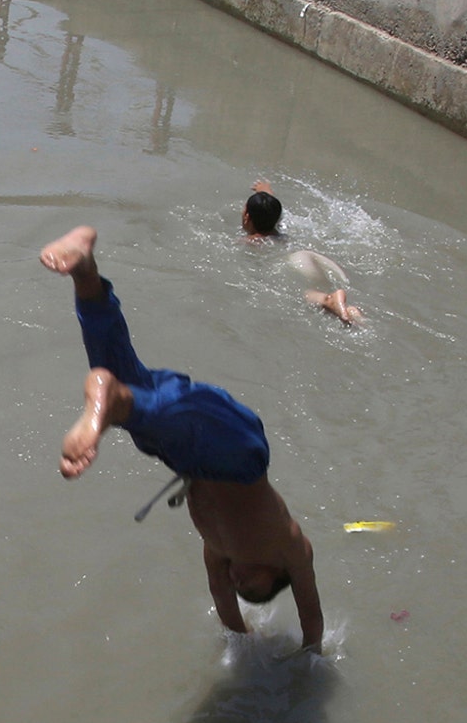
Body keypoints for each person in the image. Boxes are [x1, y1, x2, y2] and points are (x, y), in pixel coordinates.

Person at [42, 226, 324, 652]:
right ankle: (106, 397)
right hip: (238, 448)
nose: (239, 582)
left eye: (240, 587)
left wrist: (242, 644)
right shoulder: (292, 551)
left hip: (185, 453)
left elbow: (223, 602)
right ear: (275, 573)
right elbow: (312, 618)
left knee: (119, 367)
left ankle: (86, 273)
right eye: (256, 589)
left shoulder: (218, 552)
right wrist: (310, 654)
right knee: (130, 400)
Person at [248, 180, 362, 326]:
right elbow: (271, 210)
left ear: (246, 217)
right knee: (319, 294)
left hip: (295, 263)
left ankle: (329, 300)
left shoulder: (252, 240)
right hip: (307, 256)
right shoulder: (278, 228)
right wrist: (265, 192)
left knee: (303, 295)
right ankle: (349, 312)